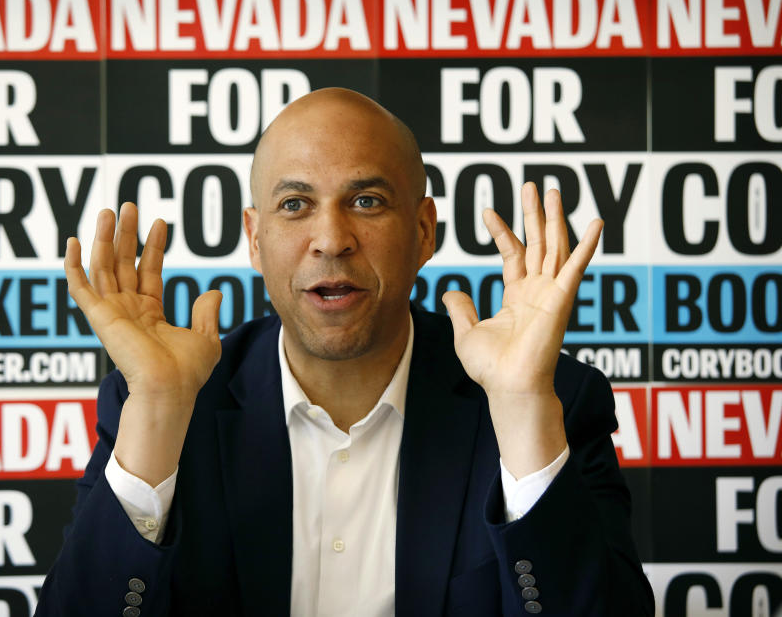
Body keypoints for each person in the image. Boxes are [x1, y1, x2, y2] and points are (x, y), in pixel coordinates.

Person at [35, 88, 653, 616]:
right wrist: (158, 412)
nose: (331, 240)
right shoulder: (159, 404)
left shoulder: (548, 399)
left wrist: (520, 407)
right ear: (255, 239)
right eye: (295, 205)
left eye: (366, 202)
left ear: (423, 231)